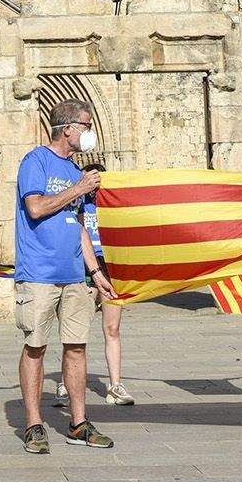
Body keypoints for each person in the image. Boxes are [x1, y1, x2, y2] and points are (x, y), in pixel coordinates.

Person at [14, 99, 118, 454]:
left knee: (76, 348)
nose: (89, 133)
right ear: (68, 128)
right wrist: (78, 189)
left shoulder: (77, 172)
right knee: (36, 347)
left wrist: (95, 272)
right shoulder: (35, 161)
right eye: (86, 126)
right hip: (39, 274)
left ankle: (78, 423)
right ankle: (33, 424)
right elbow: (36, 207)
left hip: (75, 276)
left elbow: (81, 229)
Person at [61, 162, 133, 409]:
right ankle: (66, 381)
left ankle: (115, 385)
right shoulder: (77, 204)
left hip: (110, 266)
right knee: (77, 327)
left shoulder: (113, 207)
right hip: (84, 267)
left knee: (112, 328)